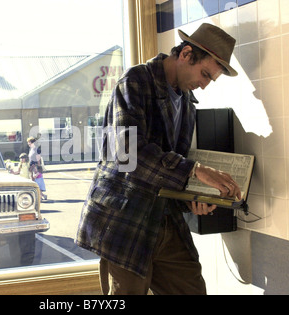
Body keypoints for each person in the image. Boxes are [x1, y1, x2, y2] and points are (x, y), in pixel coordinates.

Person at [75, 23, 241, 295]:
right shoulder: (135, 82)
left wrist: (192, 197)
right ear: (186, 54)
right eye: (205, 74)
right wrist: (195, 171)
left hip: (165, 217)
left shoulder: (187, 103)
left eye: (211, 79)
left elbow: (171, 164)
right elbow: (126, 153)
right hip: (125, 218)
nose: (204, 85)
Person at [27, 136, 47, 201]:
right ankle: (42, 195)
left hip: (35, 167)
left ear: (33, 143)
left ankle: (40, 196)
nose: (28, 144)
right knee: (34, 182)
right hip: (32, 167)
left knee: (37, 182)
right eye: (28, 143)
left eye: (29, 142)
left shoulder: (36, 150)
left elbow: (38, 160)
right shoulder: (31, 149)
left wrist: (38, 169)